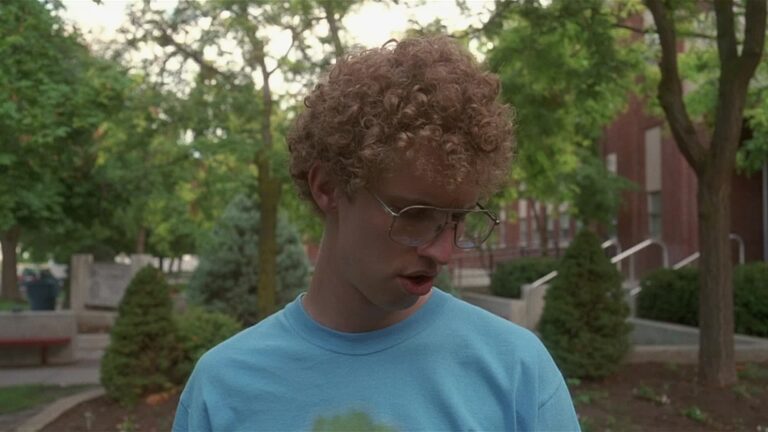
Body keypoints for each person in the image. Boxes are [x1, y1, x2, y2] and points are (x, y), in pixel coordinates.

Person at [173, 35, 580, 431]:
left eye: (457, 218)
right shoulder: (223, 387)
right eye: (415, 214)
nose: (443, 252)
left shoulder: (516, 371)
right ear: (328, 187)